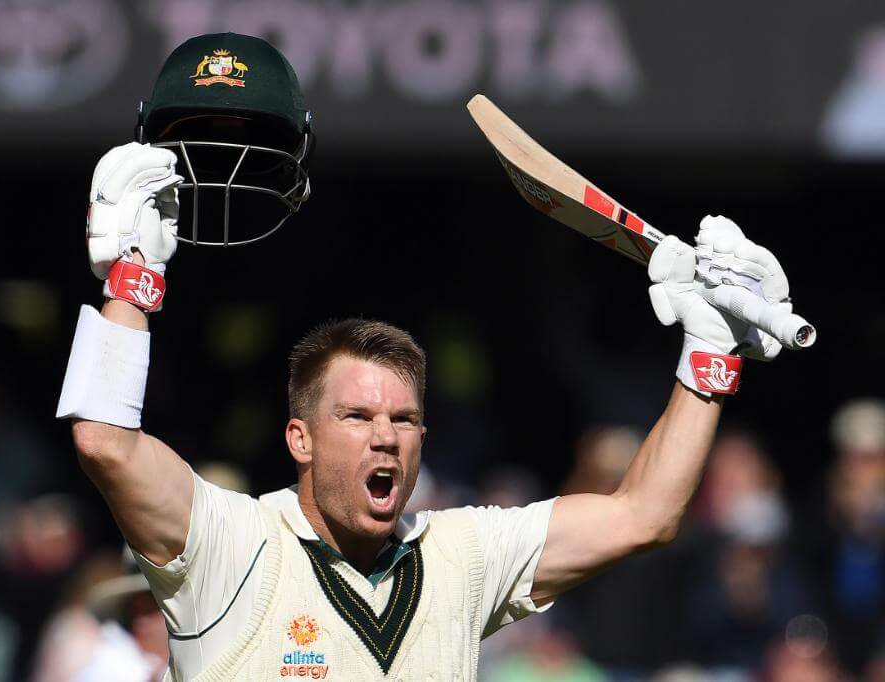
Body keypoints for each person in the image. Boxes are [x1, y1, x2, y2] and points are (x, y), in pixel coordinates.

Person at [56, 31, 801, 681]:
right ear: (299, 438)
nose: (386, 434)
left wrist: (708, 353)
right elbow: (104, 443)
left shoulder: (462, 556)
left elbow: (644, 515)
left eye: (403, 418)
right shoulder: (230, 543)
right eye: (356, 415)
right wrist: (131, 281)